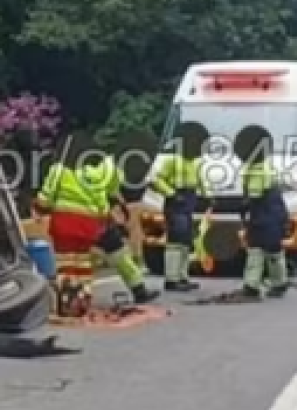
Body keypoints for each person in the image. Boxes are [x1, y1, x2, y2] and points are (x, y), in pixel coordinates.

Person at [34, 131, 159, 307]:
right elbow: (114, 190)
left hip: (65, 224)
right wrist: (113, 209)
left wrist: (38, 209)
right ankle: (137, 289)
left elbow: (46, 198)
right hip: (95, 223)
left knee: (68, 263)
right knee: (112, 253)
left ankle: (69, 302)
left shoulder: (59, 170)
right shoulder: (107, 167)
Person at [149, 121, 211, 292]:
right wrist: (171, 194)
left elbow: (200, 181)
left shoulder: (195, 162)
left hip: (189, 202)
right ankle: (171, 279)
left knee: (185, 241)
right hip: (176, 202)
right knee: (176, 240)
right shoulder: (172, 160)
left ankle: (182, 277)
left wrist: (208, 196)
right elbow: (155, 180)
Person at [235, 124, 289, 300]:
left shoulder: (258, 169)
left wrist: (243, 207)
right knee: (272, 249)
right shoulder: (264, 166)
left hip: (264, 214)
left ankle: (252, 286)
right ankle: (279, 283)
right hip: (273, 214)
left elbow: (255, 195)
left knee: (257, 249)